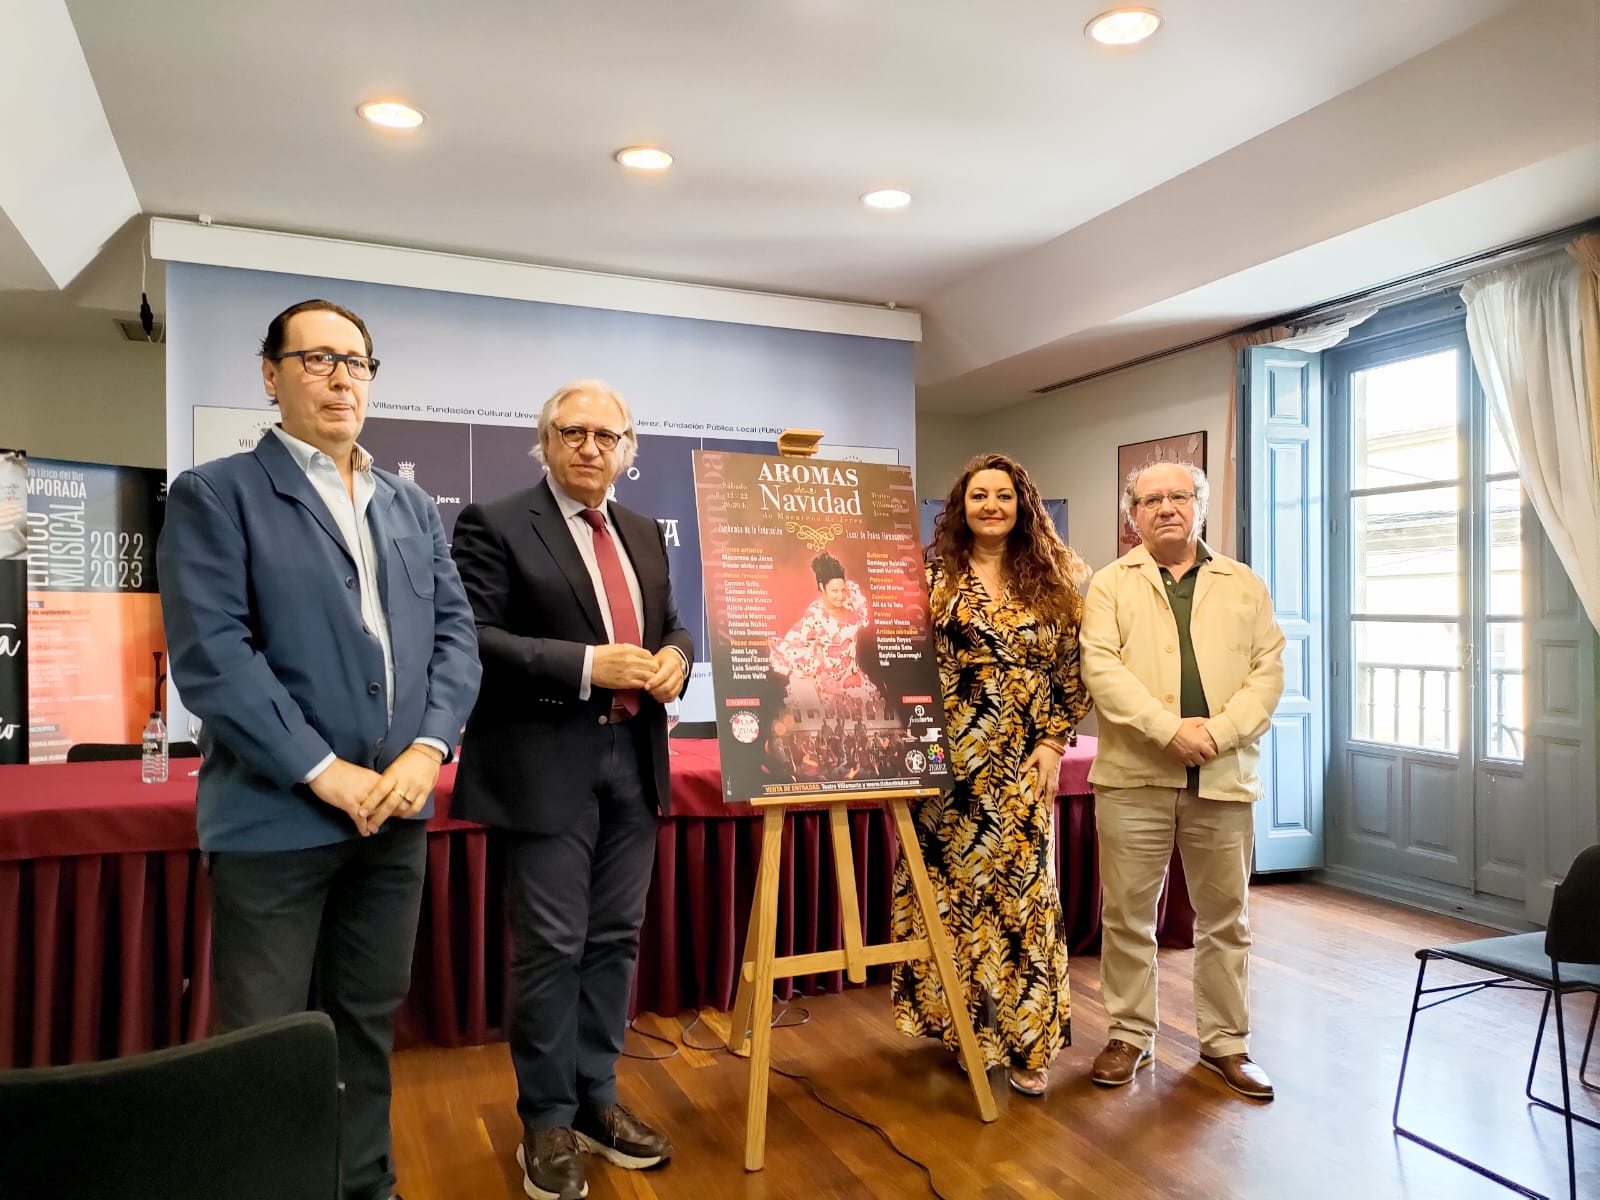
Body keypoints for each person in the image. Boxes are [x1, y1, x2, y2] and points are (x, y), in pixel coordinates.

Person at [157, 299, 482, 1200]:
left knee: (366, 1029)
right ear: (271, 376)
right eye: (317, 360)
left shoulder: (411, 504)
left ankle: (365, 1186)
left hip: (395, 820)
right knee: (268, 1044)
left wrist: (426, 751)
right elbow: (214, 658)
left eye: (357, 362)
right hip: (273, 823)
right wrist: (325, 771)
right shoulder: (215, 495)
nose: (342, 377)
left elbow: (455, 638)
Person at [449, 379, 692, 1200]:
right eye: (572, 431)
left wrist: (678, 659)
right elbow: (474, 636)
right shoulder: (496, 522)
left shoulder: (643, 532)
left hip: (635, 758)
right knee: (551, 947)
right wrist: (588, 666)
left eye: (606, 435)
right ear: (546, 440)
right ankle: (546, 1118)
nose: (590, 447)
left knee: (615, 940)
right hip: (544, 763)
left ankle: (597, 1101)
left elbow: (672, 623)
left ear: (630, 449)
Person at [1079, 459, 1285, 1100]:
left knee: (1227, 919)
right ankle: (1129, 1035)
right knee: (1128, 916)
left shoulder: (1244, 583)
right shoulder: (1110, 585)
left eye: (1179, 496)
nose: (1166, 507)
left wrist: (1216, 735)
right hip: (1135, 776)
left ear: (1200, 506)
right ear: (1130, 516)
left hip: (1223, 776)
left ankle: (1227, 1043)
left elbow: (1268, 673)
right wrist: (1170, 731)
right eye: (1151, 499)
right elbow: (1102, 671)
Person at [890, 452, 1092, 1097]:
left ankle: (1028, 1041)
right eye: (979, 496)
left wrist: (1056, 742)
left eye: (1003, 496)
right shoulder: (928, 576)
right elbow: (894, 659)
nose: (991, 507)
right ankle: (967, 1031)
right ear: (961, 506)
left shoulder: (1059, 579)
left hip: (1024, 762)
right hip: (945, 764)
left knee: (1024, 898)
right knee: (952, 898)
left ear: (1022, 504)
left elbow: (1073, 672)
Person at [768, 552, 881, 722]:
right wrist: (816, 663)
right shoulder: (814, 615)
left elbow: (863, 620)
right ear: (821, 587)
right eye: (834, 591)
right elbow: (794, 647)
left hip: (851, 675)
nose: (840, 595)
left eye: (842, 590)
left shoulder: (851, 598)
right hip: (827, 683)